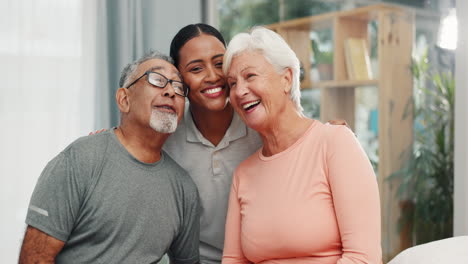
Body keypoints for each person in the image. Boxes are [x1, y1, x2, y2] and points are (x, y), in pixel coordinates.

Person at [19, 52, 200, 264]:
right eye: (158, 80)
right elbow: (34, 259)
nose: (171, 91)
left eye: (179, 87)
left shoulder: (184, 189)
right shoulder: (79, 160)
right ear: (124, 99)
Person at [221, 27, 382, 264]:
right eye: (232, 83)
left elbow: (363, 257)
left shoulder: (335, 144)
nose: (240, 91)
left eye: (250, 76)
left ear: (286, 79)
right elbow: (233, 260)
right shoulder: (243, 174)